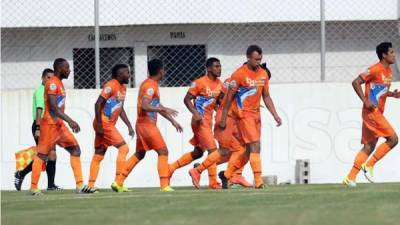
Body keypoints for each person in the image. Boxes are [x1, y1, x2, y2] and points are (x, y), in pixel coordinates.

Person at [113, 59, 183, 192]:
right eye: (164, 70)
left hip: (143, 124)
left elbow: (155, 105)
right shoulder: (151, 86)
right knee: (163, 151)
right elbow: (145, 106)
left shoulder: (150, 84)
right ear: (160, 71)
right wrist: (165, 109)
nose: (165, 72)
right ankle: (164, 185)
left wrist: (172, 120)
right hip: (147, 125)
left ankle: (118, 182)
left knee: (140, 154)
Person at [30, 58, 95, 195]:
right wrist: (70, 121)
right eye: (67, 67)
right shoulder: (53, 83)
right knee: (42, 155)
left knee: (75, 149)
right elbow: (53, 108)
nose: (69, 70)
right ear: (59, 68)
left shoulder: (59, 83)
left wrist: (65, 121)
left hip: (59, 125)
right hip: (49, 125)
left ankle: (79, 185)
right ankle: (34, 187)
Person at [343, 42, 399, 187]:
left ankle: (350, 177)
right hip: (371, 112)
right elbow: (355, 82)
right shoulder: (375, 69)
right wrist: (365, 100)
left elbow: (379, 92)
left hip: (376, 112)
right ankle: (369, 166)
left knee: (369, 146)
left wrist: (392, 94)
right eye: (392, 52)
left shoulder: (389, 72)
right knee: (393, 139)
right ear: (384, 55)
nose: (394, 55)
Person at [169, 57, 223, 189]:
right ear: (209, 68)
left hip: (209, 121)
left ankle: (170, 168)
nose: (219, 69)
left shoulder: (220, 84)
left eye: (220, 66)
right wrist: (195, 113)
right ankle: (213, 182)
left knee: (198, 152)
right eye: (216, 66)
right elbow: (187, 99)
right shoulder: (199, 82)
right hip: (199, 122)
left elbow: (217, 102)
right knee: (213, 150)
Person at [87, 64, 134, 192]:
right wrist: (100, 125)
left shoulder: (123, 88)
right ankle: (118, 182)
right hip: (103, 122)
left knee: (99, 154)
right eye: (126, 73)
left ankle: (90, 185)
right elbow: (97, 104)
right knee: (124, 148)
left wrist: (129, 125)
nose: (129, 75)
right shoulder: (111, 85)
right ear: (119, 74)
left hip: (106, 124)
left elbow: (120, 108)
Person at [14, 68, 61, 191]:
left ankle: (51, 185)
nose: (50, 80)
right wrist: (38, 128)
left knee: (52, 155)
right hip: (40, 125)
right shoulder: (40, 91)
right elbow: (39, 109)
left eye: (52, 78)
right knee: (43, 155)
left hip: (49, 125)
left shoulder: (49, 91)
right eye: (48, 77)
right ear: (43, 78)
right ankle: (22, 174)